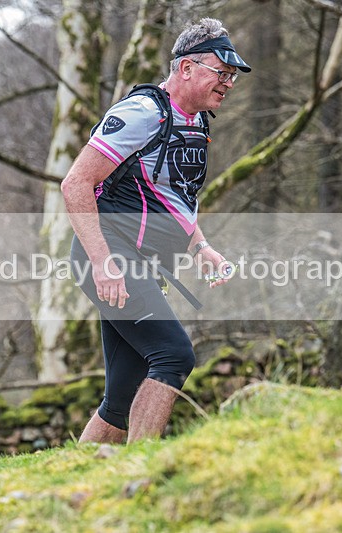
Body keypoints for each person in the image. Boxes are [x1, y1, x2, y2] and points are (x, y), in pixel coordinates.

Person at [61, 18, 251, 444]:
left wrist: (201, 247)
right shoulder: (142, 113)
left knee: (121, 395)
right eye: (221, 73)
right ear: (186, 68)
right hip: (114, 256)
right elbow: (75, 184)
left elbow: (176, 195)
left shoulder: (198, 122)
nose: (228, 84)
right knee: (173, 355)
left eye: (232, 77)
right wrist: (103, 263)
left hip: (145, 264)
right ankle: (142, 470)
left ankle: (79, 479)